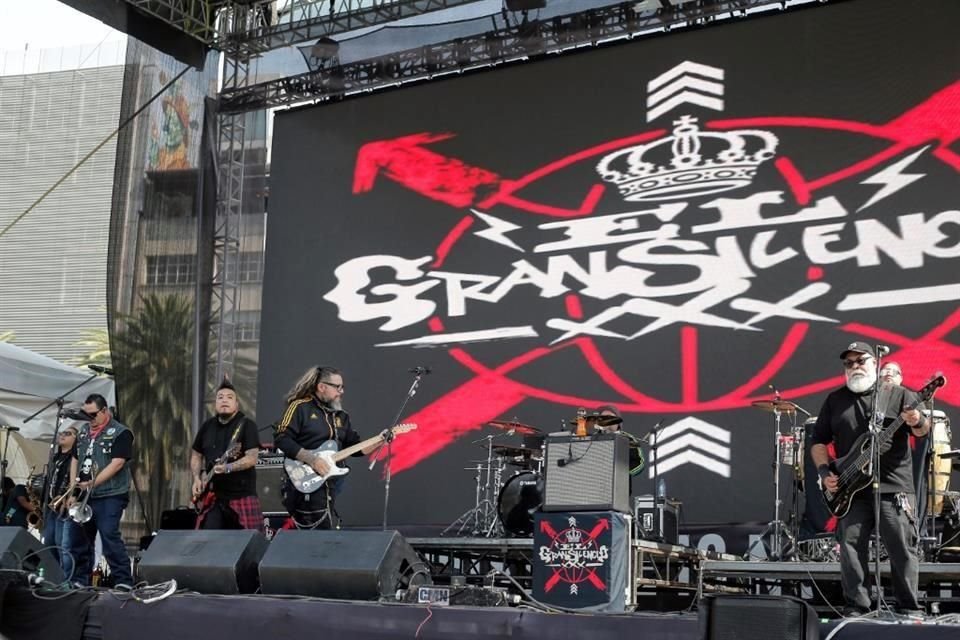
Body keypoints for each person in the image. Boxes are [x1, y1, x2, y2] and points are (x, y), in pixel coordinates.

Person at [810, 341, 929, 616]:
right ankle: (857, 607)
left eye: (860, 361)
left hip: (893, 485)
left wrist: (916, 421)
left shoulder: (897, 395)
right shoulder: (835, 400)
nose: (855, 367)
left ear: (874, 363)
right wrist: (825, 472)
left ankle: (908, 608)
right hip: (850, 488)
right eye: (849, 363)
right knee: (851, 546)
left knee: (901, 547)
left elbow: (923, 430)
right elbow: (817, 442)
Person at [274, 366, 383, 529]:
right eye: (337, 387)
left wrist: (380, 440)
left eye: (342, 387)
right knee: (319, 530)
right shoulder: (300, 407)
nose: (341, 391)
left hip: (330, 483)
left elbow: (355, 448)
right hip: (304, 478)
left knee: (326, 526)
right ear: (321, 387)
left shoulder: (341, 416)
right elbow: (282, 438)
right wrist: (312, 459)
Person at [68, 394, 134, 588]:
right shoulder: (82, 432)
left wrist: (92, 483)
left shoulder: (121, 432)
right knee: (79, 538)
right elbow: (74, 459)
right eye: (85, 415)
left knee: (108, 534)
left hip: (110, 494)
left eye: (93, 414)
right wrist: (73, 492)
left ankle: (123, 580)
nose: (89, 419)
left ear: (105, 411)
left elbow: (117, 463)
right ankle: (80, 580)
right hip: (84, 496)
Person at [190, 380, 263, 531]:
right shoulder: (207, 426)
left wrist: (228, 467)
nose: (224, 400)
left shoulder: (246, 425)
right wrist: (197, 478)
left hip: (241, 496)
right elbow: (196, 454)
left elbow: (252, 458)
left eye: (229, 397)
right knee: (207, 541)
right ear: (215, 404)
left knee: (249, 544)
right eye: (220, 397)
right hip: (214, 497)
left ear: (237, 404)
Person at [41, 425, 80, 579]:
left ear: (76, 439)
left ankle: (65, 580)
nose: (62, 435)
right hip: (50, 506)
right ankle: (52, 577)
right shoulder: (55, 458)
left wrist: (68, 496)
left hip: (63, 506)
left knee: (62, 545)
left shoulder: (75, 458)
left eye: (68, 433)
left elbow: (74, 480)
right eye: (62, 433)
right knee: (48, 543)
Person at [595, 405, 645, 477]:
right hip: (593, 484)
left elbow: (639, 463)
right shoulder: (592, 438)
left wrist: (622, 474)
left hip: (619, 485)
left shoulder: (628, 439)